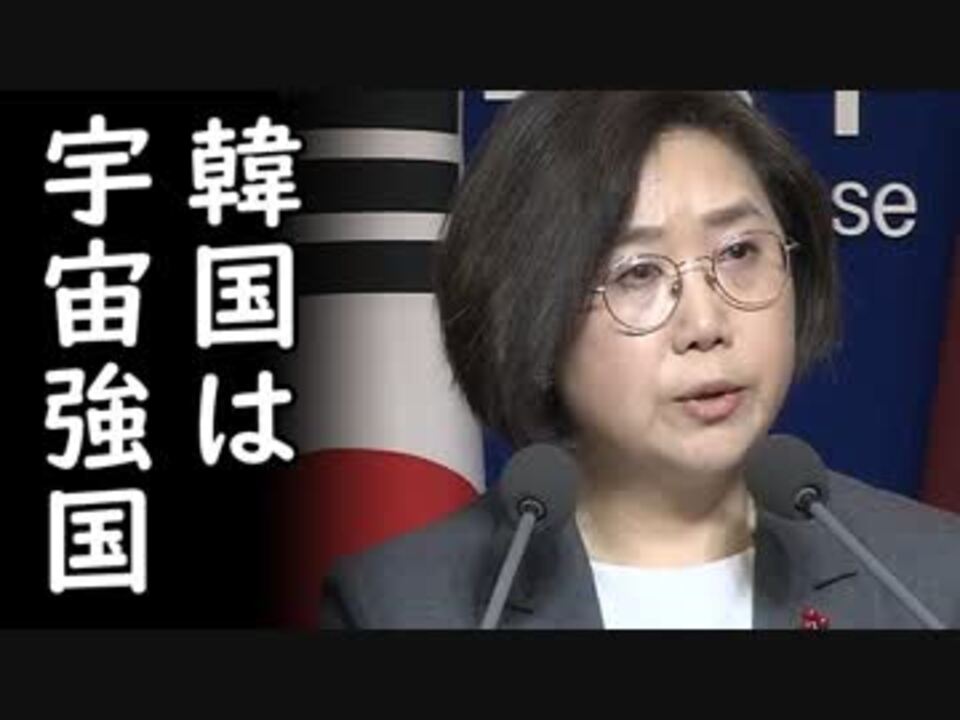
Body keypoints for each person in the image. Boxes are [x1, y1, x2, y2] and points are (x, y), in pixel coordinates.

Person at [319, 91, 960, 629]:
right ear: (532, 311)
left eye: (739, 252)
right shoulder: (402, 606)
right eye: (637, 273)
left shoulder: (931, 581)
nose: (706, 324)